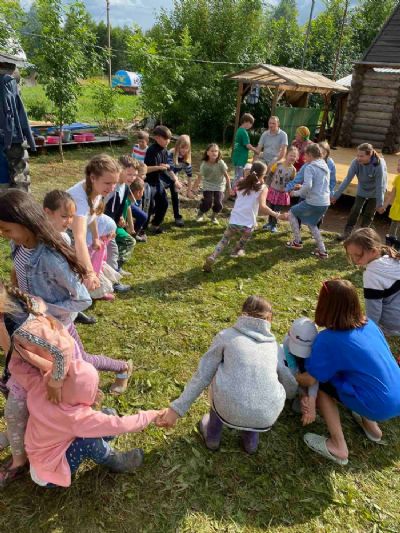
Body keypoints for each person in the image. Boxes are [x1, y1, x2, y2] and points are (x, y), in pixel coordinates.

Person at [0, 190, 132, 397]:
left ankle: (120, 370)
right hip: (36, 324)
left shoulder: (50, 258)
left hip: (57, 325)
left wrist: (43, 310)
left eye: (6, 229)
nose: (3, 234)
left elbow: (82, 299)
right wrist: (18, 294)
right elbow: (19, 269)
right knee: (51, 364)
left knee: (77, 366)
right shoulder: (18, 244)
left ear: (23, 222)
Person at [156, 296, 297, 454]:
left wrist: (176, 410)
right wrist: (298, 395)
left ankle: (212, 437)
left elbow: (203, 375)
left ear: (242, 314)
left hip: (227, 406)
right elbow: (287, 379)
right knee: (259, 388)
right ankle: (251, 442)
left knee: (218, 373)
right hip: (266, 415)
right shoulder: (274, 346)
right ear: (269, 319)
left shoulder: (226, 336)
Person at [298, 279, 400, 465]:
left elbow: (311, 379)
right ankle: (372, 428)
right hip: (396, 396)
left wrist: (293, 374)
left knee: (322, 386)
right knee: (361, 375)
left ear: (324, 305)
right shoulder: (370, 324)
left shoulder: (327, 339)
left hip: (376, 404)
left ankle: (338, 446)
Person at [203, 161, 285, 272]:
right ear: (263, 175)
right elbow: (263, 207)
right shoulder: (263, 188)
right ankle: (236, 251)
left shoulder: (241, 182)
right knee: (244, 238)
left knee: (225, 239)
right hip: (248, 224)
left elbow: (233, 193)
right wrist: (277, 215)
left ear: (251, 171)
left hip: (234, 219)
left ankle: (213, 256)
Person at [43, 189, 96, 326]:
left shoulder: (64, 237)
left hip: (62, 298)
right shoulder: (38, 241)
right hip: (47, 300)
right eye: (64, 216)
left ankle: (74, 314)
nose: (69, 221)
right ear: (48, 212)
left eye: (72, 216)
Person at [67, 154, 120, 291]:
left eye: (114, 183)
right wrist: (89, 273)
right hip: (64, 237)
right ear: (93, 178)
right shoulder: (79, 199)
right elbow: (79, 238)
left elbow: (92, 214)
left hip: (75, 235)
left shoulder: (95, 188)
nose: (112, 188)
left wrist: (96, 237)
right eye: (108, 183)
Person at [344, 228, 400, 337]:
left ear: (374, 251)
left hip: (392, 326)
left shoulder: (371, 274)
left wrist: (369, 331)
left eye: (358, 255)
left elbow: (373, 310)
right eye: (351, 255)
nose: (354, 260)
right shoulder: (393, 259)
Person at [331, 143, 387, 241]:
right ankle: (347, 232)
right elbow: (347, 180)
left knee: (369, 213)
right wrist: (336, 195)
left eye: (361, 156)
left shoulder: (378, 165)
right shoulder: (355, 163)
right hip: (363, 187)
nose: (358, 158)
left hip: (375, 190)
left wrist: (380, 203)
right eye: (357, 155)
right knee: (355, 209)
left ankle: (363, 236)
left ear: (369, 155)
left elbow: (380, 185)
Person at [286, 144, 330, 259]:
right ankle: (323, 251)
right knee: (312, 224)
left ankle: (297, 241)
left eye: (305, 155)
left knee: (291, 213)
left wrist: (295, 193)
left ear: (310, 155)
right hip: (324, 202)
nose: (304, 158)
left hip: (313, 201)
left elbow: (308, 185)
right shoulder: (324, 165)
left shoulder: (310, 167)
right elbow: (319, 185)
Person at [104, 155, 137, 278]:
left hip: (111, 224)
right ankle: (113, 273)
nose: (132, 178)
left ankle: (114, 271)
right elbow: (103, 207)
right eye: (129, 174)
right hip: (104, 225)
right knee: (120, 246)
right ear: (119, 170)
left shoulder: (125, 187)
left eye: (134, 175)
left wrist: (119, 218)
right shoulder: (112, 187)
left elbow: (119, 207)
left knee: (111, 250)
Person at [281, 318, 318, 426]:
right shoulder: (287, 342)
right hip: (298, 371)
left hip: (310, 371)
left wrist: (312, 399)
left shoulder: (317, 349)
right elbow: (293, 371)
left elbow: (314, 377)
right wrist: (303, 394)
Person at [143, 125, 173, 234]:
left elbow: (164, 164)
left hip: (157, 181)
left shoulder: (164, 150)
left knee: (164, 203)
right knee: (149, 206)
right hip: (148, 183)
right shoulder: (151, 151)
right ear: (157, 138)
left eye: (169, 139)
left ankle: (155, 224)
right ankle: (142, 228)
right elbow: (146, 169)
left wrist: (167, 166)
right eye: (165, 139)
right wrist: (159, 168)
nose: (168, 141)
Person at [192, 143, 231, 225]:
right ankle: (200, 213)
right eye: (212, 151)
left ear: (218, 152)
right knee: (208, 202)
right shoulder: (204, 165)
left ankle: (214, 216)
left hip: (219, 185)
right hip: (208, 184)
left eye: (216, 151)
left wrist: (229, 188)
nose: (214, 153)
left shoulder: (220, 163)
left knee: (218, 202)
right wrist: (194, 188)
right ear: (207, 153)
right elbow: (199, 177)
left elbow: (227, 176)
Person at [263, 146, 298, 233]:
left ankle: (274, 225)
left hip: (282, 193)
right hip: (273, 190)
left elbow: (292, 182)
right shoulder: (278, 164)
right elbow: (270, 174)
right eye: (291, 155)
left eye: (294, 156)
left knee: (277, 209)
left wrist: (288, 189)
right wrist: (267, 184)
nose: (292, 157)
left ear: (296, 158)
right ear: (286, 155)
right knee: (271, 208)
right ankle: (269, 223)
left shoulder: (293, 170)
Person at [231, 113, 259, 187]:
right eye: (251, 123)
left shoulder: (239, 130)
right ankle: (234, 190)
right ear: (246, 122)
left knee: (237, 174)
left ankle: (234, 188)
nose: (251, 125)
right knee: (239, 176)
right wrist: (256, 150)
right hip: (240, 158)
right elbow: (247, 145)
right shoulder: (243, 132)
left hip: (237, 156)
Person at [382, 158, 400, 250]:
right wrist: (384, 206)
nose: (398, 167)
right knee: (393, 228)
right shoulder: (397, 178)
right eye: (398, 165)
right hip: (397, 208)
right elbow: (392, 195)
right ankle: (389, 249)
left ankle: (397, 250)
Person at [129, 177, 148, 242]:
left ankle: (133, 234)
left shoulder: (131, 200)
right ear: (138, 192)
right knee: (143, 216)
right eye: (143, 191)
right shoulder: (126, 201)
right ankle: (133, 235)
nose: (143, 194)